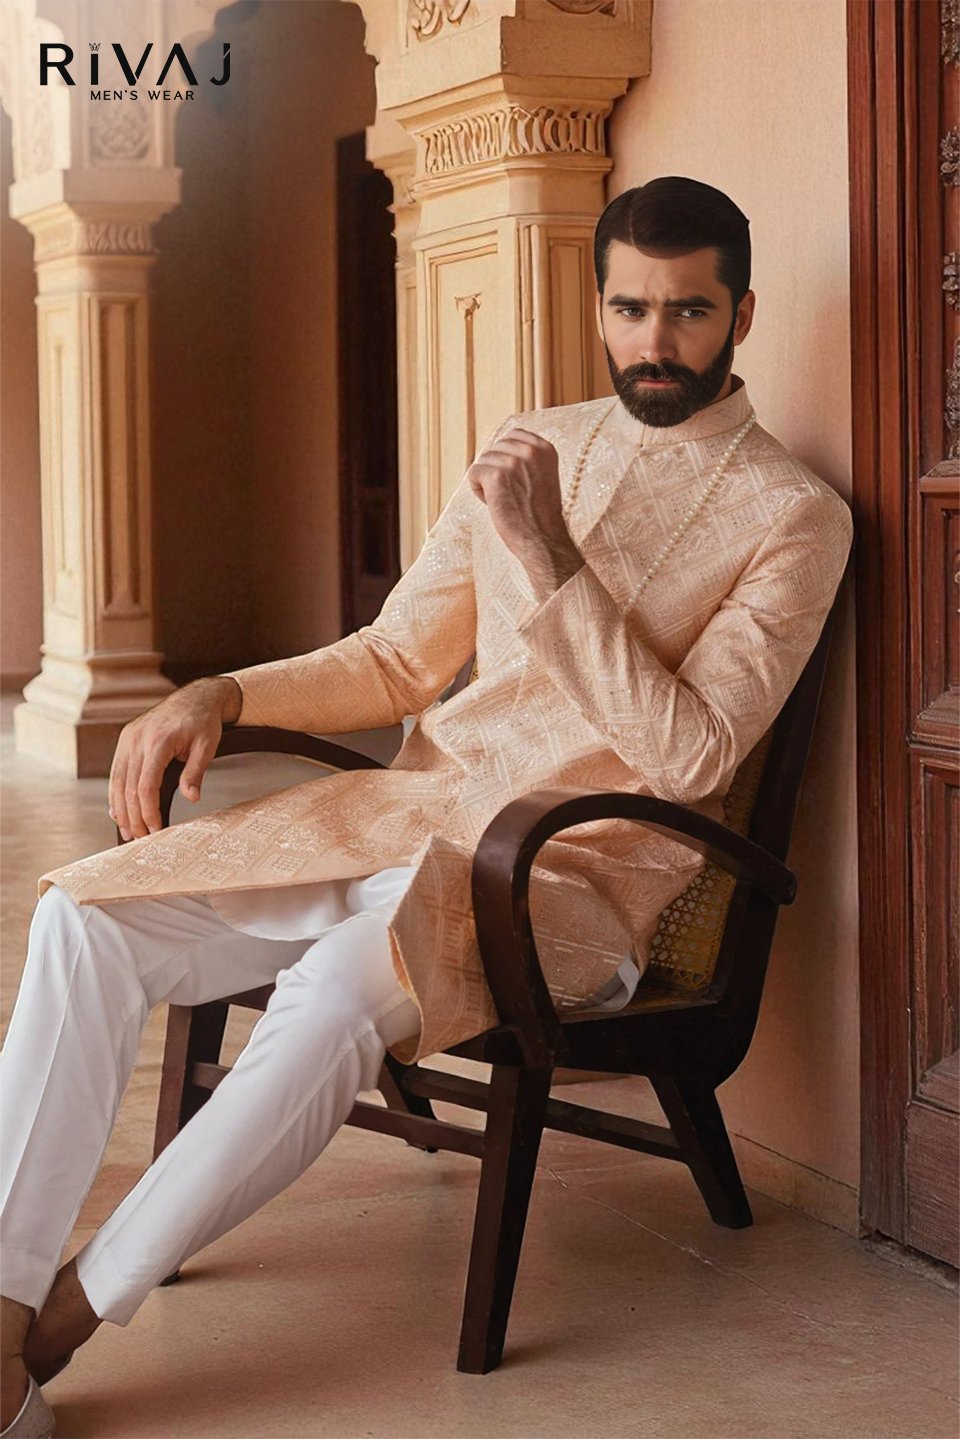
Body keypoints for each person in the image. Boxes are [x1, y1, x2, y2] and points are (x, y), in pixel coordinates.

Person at [0, 176, 852, 1437]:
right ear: (598, 305)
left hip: (562, 880)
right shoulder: (530, 445)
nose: (656, 342)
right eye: (631, 309)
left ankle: (65, 1321)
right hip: (400, 821)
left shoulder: (794, 516)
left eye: (689, 311)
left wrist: (551, 557)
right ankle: (0, 1297)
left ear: (743, 315)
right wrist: (222, 691)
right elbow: (398, 658)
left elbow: (692, 756)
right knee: (83, 917)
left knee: (338, 990)